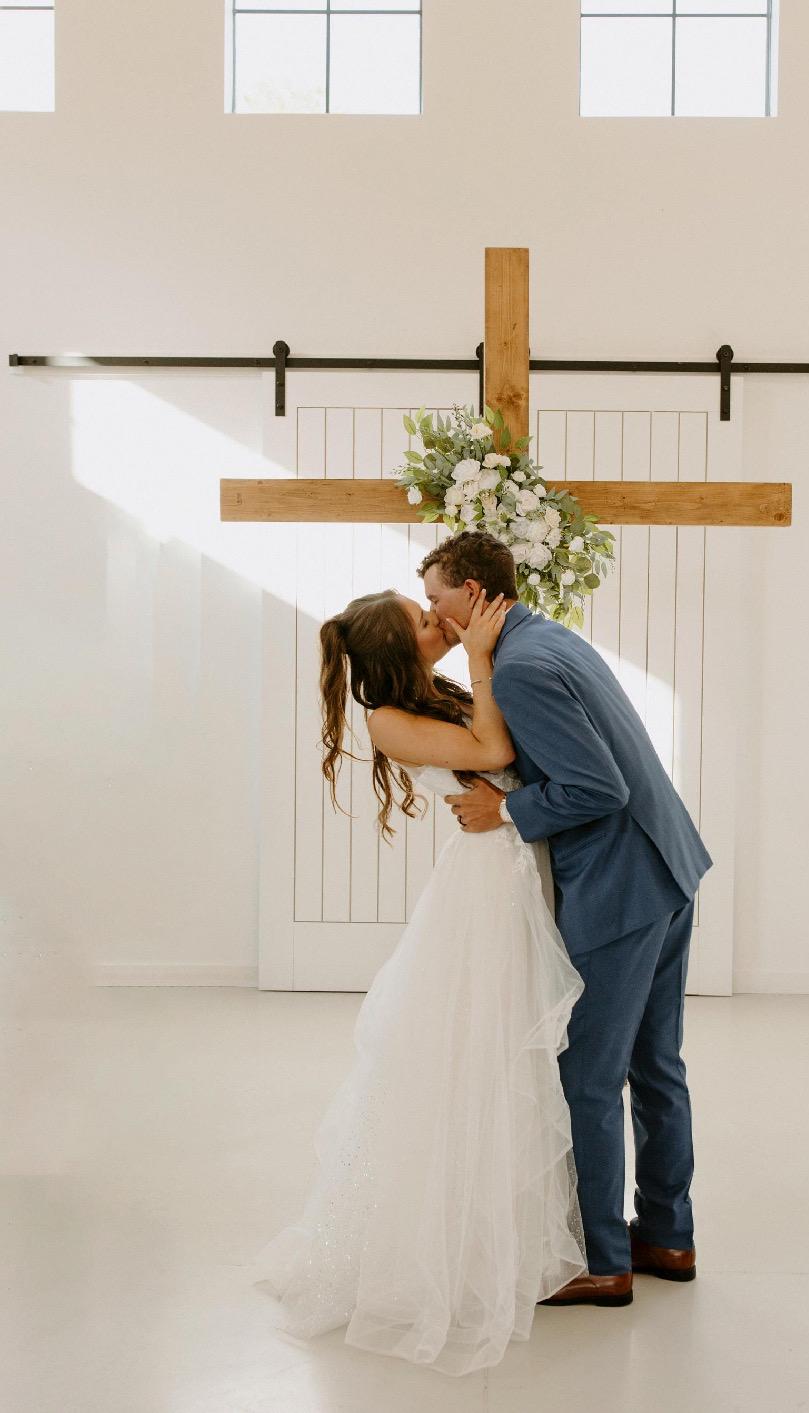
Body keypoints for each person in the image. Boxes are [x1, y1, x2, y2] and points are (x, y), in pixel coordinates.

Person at [252, 576, 590, 1377]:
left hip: (505, 862)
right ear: (399, 647)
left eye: (429, 607)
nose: (435, 617)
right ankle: (457, 1246)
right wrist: (478, 657)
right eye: (420, 619)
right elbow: (494, 753)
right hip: (484, 886)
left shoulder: (422, 690)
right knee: (477, 1051)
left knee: (503, 1048)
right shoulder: (390, 717)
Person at [419, 531, 713, 1304]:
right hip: (669, 864)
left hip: (620, 886)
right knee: (656, 1067)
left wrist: (505, 807)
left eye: (437, 600)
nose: (433, 615)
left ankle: (602, 1260)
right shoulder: (547, 639)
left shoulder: (519, 671)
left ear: (476, 592)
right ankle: (668, 1238)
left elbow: (597, 788)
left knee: (586, 1076)